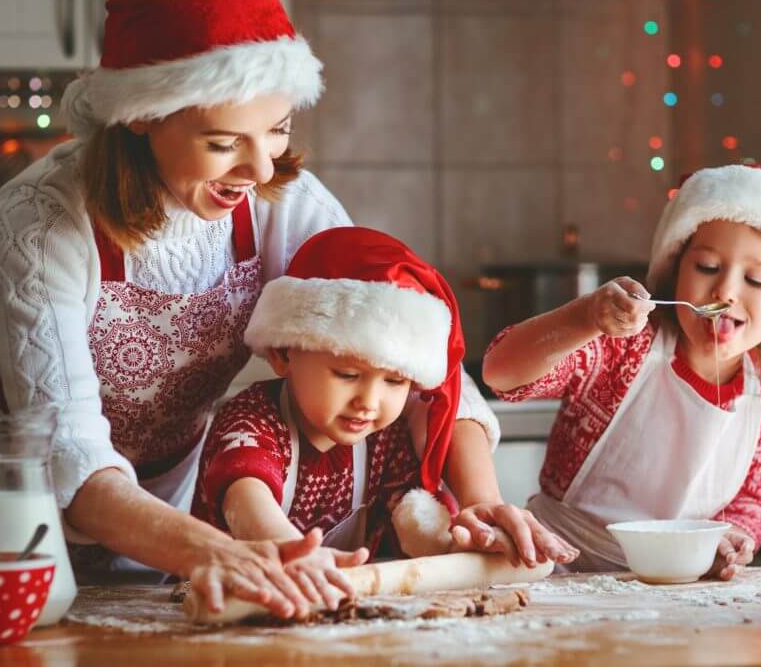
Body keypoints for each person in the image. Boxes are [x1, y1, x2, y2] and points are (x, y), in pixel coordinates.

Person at [0, 0, 509, 618]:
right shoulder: (42, 216)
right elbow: (70, 449)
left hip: (173, 515)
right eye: (224, 142)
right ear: (143, 115)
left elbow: (402, 342)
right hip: (14, 508)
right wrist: (216, 552)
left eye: (277, 129)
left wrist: (478, 499)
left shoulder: (285, 200)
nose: (259, 167)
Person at [483, 159, 761, 580]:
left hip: (679, 587)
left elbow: (750, 498)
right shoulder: (625, 347)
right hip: (561, 570)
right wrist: (585, 318)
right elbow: (500, 372)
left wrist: (730, 541)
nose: (726, 291)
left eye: (756, 280)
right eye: (708, 268)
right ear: (676, 271)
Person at [192, 228, 579, 607]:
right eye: (347, 375)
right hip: (228, 606)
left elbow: (416, 519)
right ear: (283, 355)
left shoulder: (385, 440)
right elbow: (245, 502)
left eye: (394, 381)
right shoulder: (252, 421)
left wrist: (467, 542)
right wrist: (292, 553)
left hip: (328, 614)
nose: (369, 401)